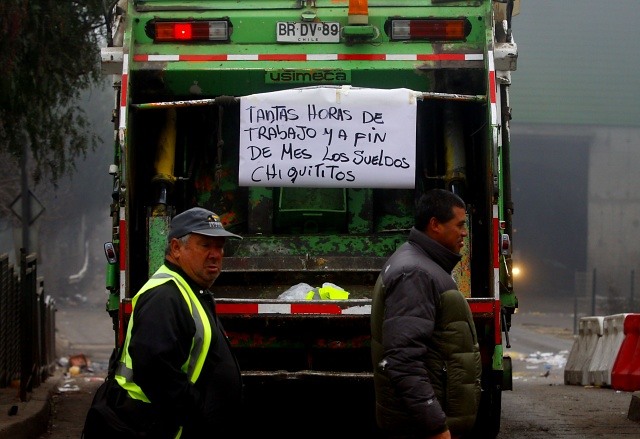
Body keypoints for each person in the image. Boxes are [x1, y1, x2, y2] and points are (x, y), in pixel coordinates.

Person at [83, 207, 243, 438]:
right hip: (150, 428)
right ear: (176, 248)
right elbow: (155, 370)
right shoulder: (165, 296)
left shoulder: (188, 290)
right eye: (205, 245)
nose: (215, 254)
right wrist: (196, 415)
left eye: (219, 246)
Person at [370, 189, 482, 439]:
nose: (465, 232)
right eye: (460, 225)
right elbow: (403, 359)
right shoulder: (416, 274)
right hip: (419, 427)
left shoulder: (422, 265)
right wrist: (436, 426)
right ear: (435, 225)